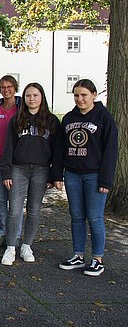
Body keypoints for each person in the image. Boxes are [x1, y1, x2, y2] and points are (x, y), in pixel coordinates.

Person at [53, 79, 118, 277]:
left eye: (84, 95)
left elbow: (111, 151)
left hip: (94, 176)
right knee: (77, 216)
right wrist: (57, 174)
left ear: (94, 95)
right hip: (72, 174)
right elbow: (59, 148)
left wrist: (106, 180)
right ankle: (78, 255)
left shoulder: (104, 117)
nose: (80, 99)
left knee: (95, 217)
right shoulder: (69, 118)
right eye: (76, 95)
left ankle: (97, 259)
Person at [0, 83, 59, 266]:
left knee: (34, 211)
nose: (31, 99)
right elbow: (8, 147)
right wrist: (6, 172)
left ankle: (27, 245)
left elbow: (57, 151)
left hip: (41, 170)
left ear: (42, 97)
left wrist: (54, 176)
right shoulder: (17, 120)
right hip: (19, 169)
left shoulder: (51, 121)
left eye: (35, 95)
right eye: (28, 96)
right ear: (23, 98)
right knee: (15, 210)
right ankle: (11, 247)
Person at [0, 75, 23, 249]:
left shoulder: (22, 106)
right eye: (2, 87)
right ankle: (2, 233)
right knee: (0, 199)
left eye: (9, 86)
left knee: (15, 199)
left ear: (15, 88)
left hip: (17, 161)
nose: (6, 89)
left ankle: (15, 236)